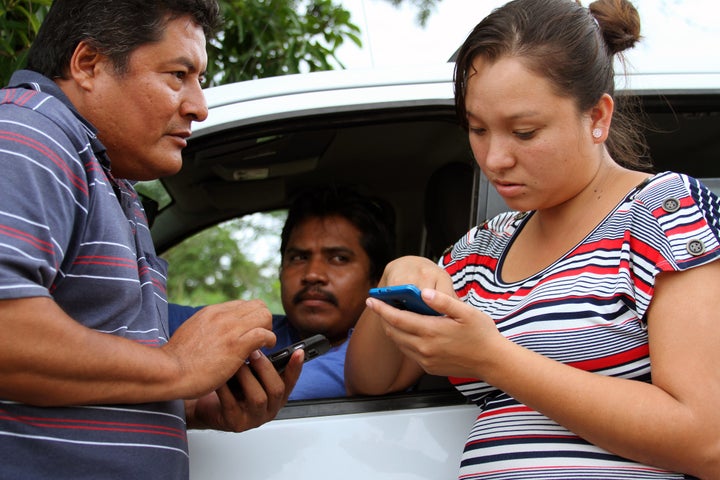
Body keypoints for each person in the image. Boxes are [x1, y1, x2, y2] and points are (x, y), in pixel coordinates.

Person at [345, 0, 720, 478]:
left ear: (597, 117)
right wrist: (395, 282)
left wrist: (494, 360)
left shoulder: (664, 213)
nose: (494, 158)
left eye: (524, 132)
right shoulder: (481, 249)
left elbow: (708, 440)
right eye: (477, 129)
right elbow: (371, 381)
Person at [0, 1, 301, 479]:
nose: (199, 106)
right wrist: (178, 366)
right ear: (88, 64)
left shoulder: (110, 180)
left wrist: (189, 404)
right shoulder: (28, 135)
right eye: (178, 74)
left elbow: (82, 375)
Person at [170, 185, 396, 400]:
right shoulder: (257, 332)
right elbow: (145, 315)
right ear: (280, 271)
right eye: (299, 257)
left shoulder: (383, 354)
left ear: (376, 280)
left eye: (339, 258)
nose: (313, 274)